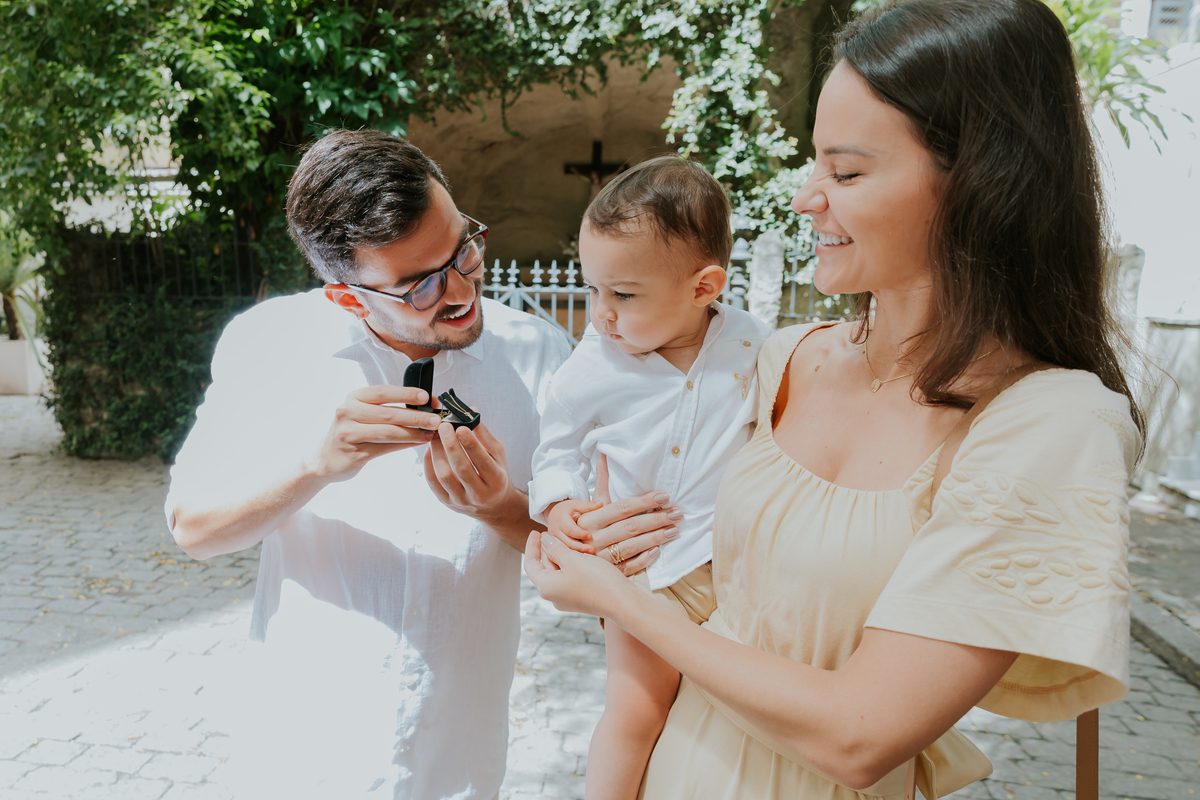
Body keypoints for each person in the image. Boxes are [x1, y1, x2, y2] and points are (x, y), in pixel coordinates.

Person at [525, 1, 1144, 798]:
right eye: (815, 165)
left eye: (846, 172)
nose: (806, 197)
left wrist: (618, 602)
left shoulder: (1050, 422)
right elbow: (703, 568)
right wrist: (556, 524)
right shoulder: (785, 360)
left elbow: (860, 736)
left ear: (982, 183)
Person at [164, 129, 677, 799]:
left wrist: (500, 509)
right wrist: (318, 465)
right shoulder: (269, 345)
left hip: (455, 762)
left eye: (464, 247)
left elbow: (589, 568)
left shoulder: (542, 359)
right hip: (302, 759)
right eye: (421, 285)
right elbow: (194, 531)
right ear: (348, 298)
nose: (462, 287)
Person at [528, 156, 771, 799]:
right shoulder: (593, 366)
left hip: (739, 571)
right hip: (647, 577)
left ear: (703, 287)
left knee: (721, 717)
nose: (601, 314)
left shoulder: (754, 346)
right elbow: (553, 454)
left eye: (623, 294)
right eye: (592, 290)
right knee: (638, 711)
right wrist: (559, 511)